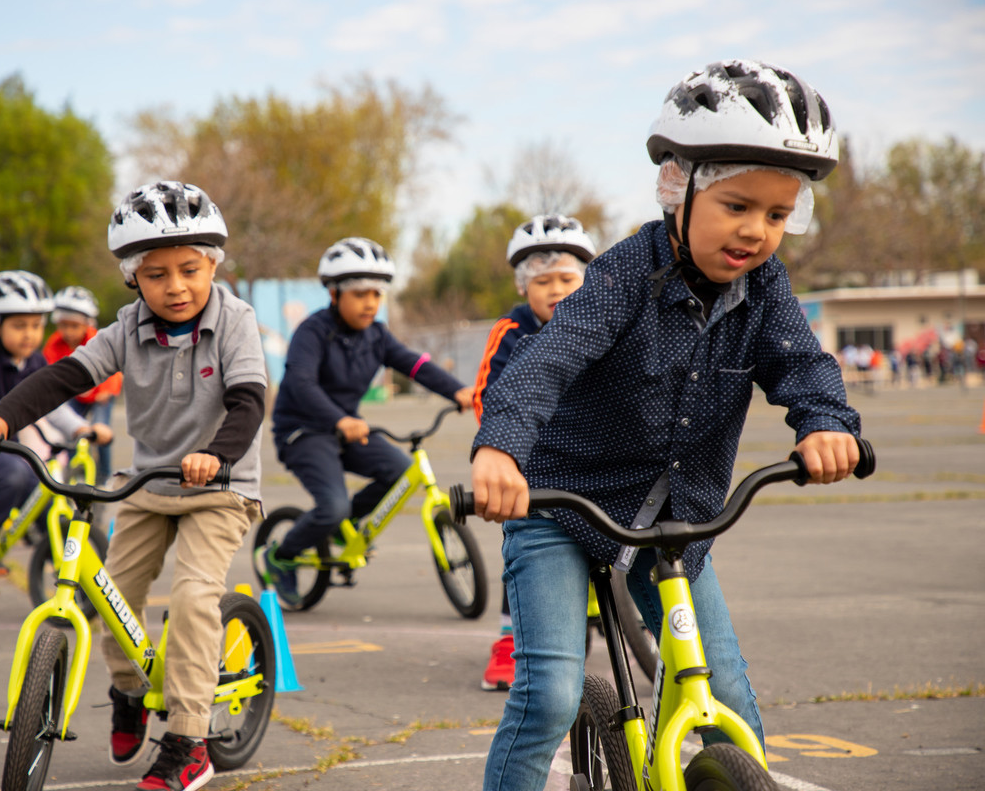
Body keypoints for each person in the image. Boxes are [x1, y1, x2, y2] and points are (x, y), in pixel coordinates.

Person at [469, 59, 863, 790]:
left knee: (727, 703)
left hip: (678, 521)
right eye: (738, 206)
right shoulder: (622, 275)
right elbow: (547, 361)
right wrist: (500, 449)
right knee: (550, 694)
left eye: (780, 215)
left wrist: (824, 423)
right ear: (677, 189)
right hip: (560, 503)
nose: (758, 232)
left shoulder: (765, 286)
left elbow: (801, 363)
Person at [0, 181, 265, 791]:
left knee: (195, 598)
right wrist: (0, 416)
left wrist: (214, 455)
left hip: (220, 485)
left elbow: (249, 402)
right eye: (156, 275)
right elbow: (64, 377)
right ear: (133, 279)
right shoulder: (127, 329)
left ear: (213, 265)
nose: (175, 286)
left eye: (189, 270)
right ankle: (128, 693)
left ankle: (188, 740)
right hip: (146, 483)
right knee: (113, 594)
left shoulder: (236, 320)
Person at [257, 237, 475, 609]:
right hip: (303, 431)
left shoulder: (376, 335)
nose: (370, 302)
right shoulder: (312, 332)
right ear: (334, 292)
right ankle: (281, 555)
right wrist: (340, 419)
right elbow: (301, 383)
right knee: (332, 506)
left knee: (401, 472)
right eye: (360, 293)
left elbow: (414, 364)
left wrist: (458, 391)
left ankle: (346, 527)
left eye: (376, 293)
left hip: (347, 429)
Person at [471, 214, 597, 692]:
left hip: (595, 448)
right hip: (532, 454)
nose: (556, 289)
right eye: (542, 281)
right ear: (524, 287)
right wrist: (503, 451)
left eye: (567, 278)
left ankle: (646, 625)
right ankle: (510, 636)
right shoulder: (511, 329)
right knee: (524, 532)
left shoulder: (602, 319)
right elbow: (488, 392)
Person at [0, 270, 107, 579]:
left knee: (44, 487)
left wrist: (80, 428)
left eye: (35, 326)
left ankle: (60, 559)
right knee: (13, 473)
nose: (29, 334)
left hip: (3, 449)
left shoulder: (35, 362)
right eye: (19, 326)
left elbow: (51, 405)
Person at [42, 285, 123, 482]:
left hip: (100, 394)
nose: (68, 331)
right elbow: (49, 372)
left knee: (100, 432)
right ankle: (73, 471)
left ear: (87, 324)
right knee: (71, 431)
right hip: (75, 394)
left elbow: (113, 368)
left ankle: (105, 476)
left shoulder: (97, 339)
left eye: (74, 326)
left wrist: (106, 390)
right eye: (64, 325)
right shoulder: (54, 344)